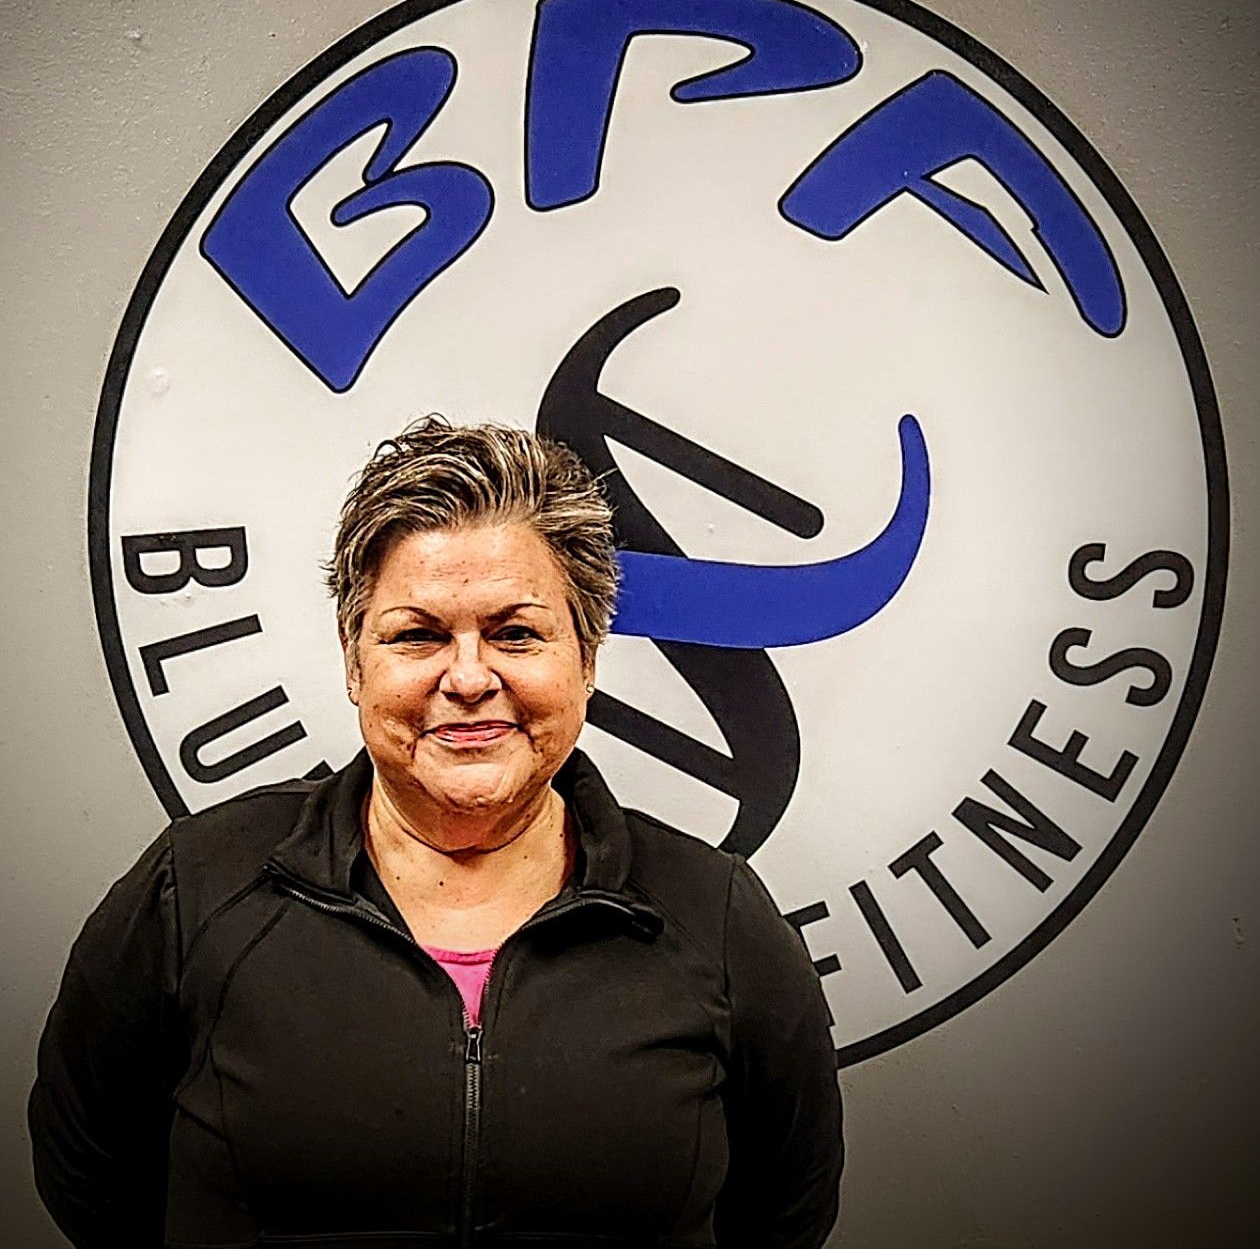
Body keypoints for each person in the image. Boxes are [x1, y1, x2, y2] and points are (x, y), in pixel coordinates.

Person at [30, 416, 843, 1248]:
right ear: (354, 661)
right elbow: (90, 1175)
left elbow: (784, 1213)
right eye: (418, 634)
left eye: (516, 633)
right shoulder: (197, 889)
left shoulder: (716, 918)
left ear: (587, 659)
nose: (467, 677)